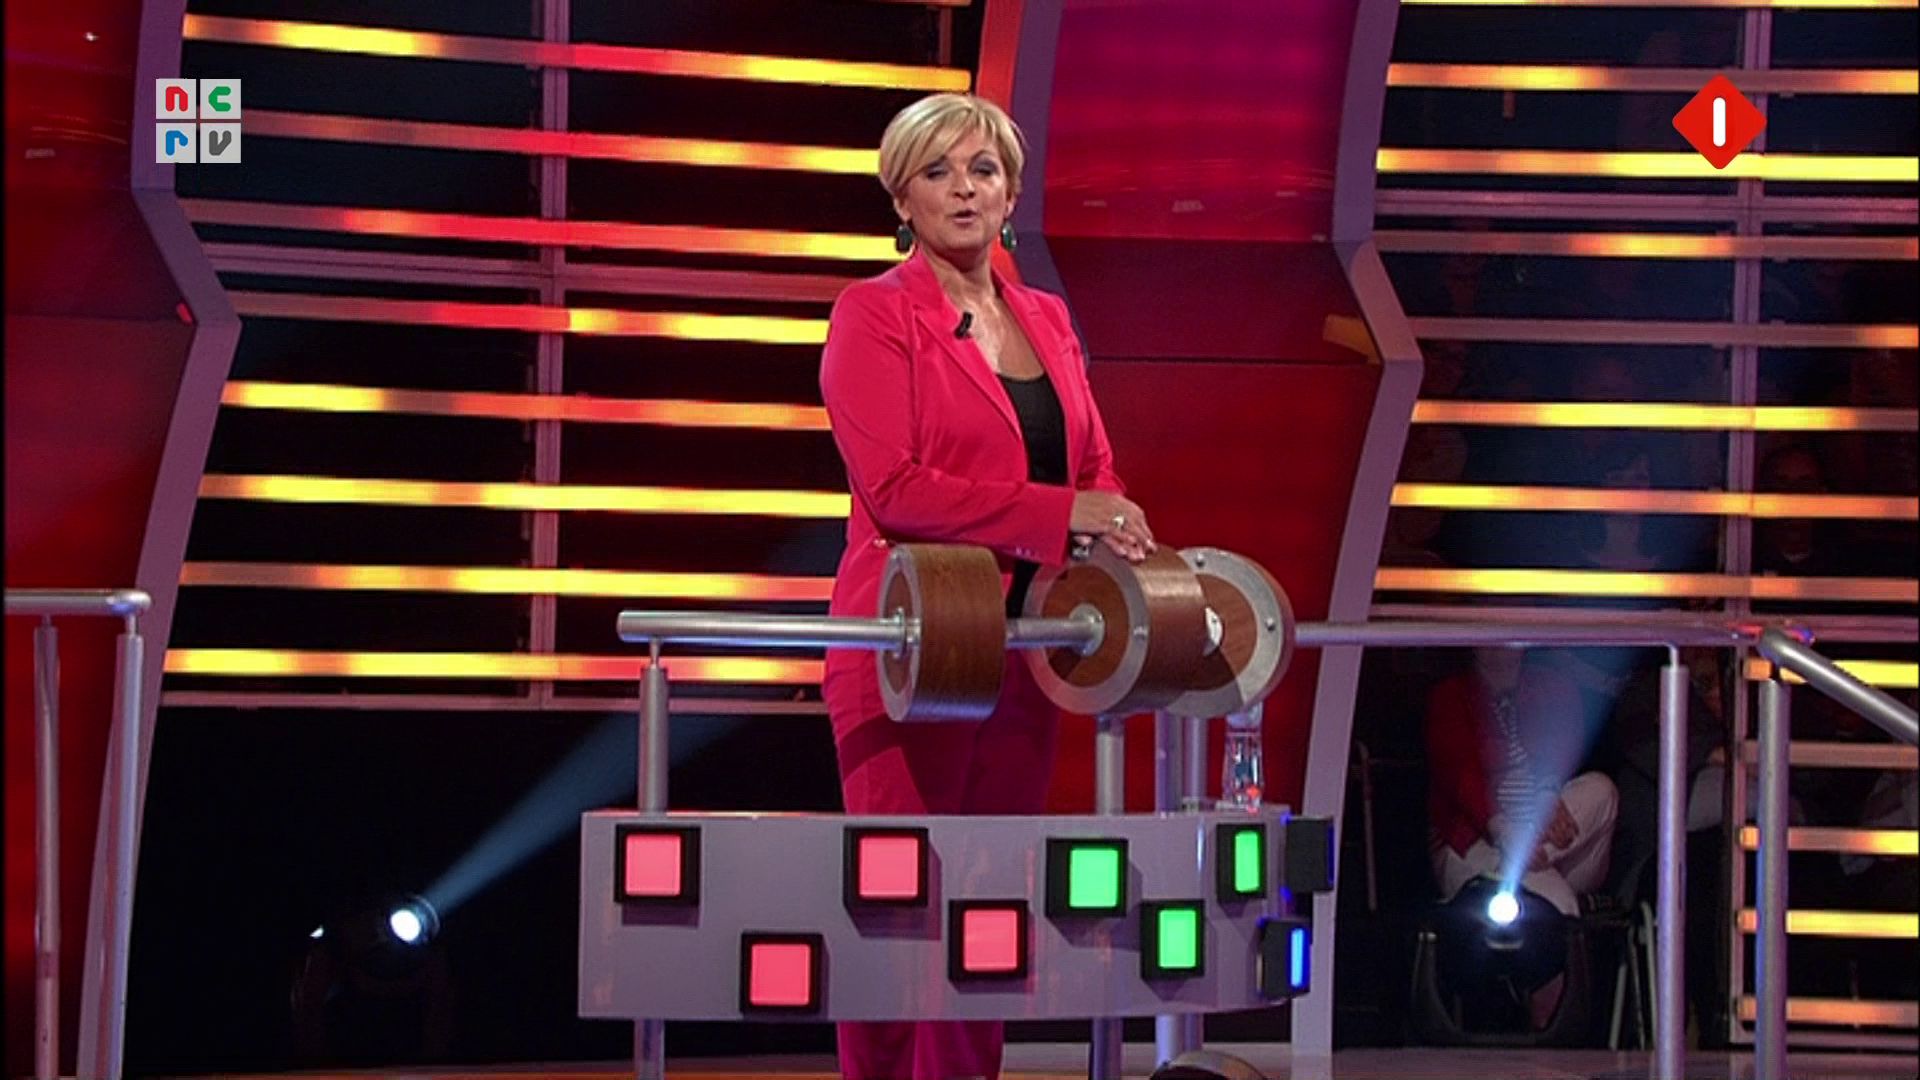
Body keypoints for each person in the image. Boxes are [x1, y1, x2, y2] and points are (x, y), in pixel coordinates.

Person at [817, 93, 1154, 1080]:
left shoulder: (1045, 317)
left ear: (1011, 193)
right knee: (897, 915)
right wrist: (1062, 514)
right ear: (903, 199)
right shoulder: (874, 314)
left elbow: (1092, 463)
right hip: (910, 646)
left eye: (983, 170)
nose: (964, 190)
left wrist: (1111, 515)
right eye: (938, 172)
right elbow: (894, 488)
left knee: (988, 914)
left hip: (1023, 649)